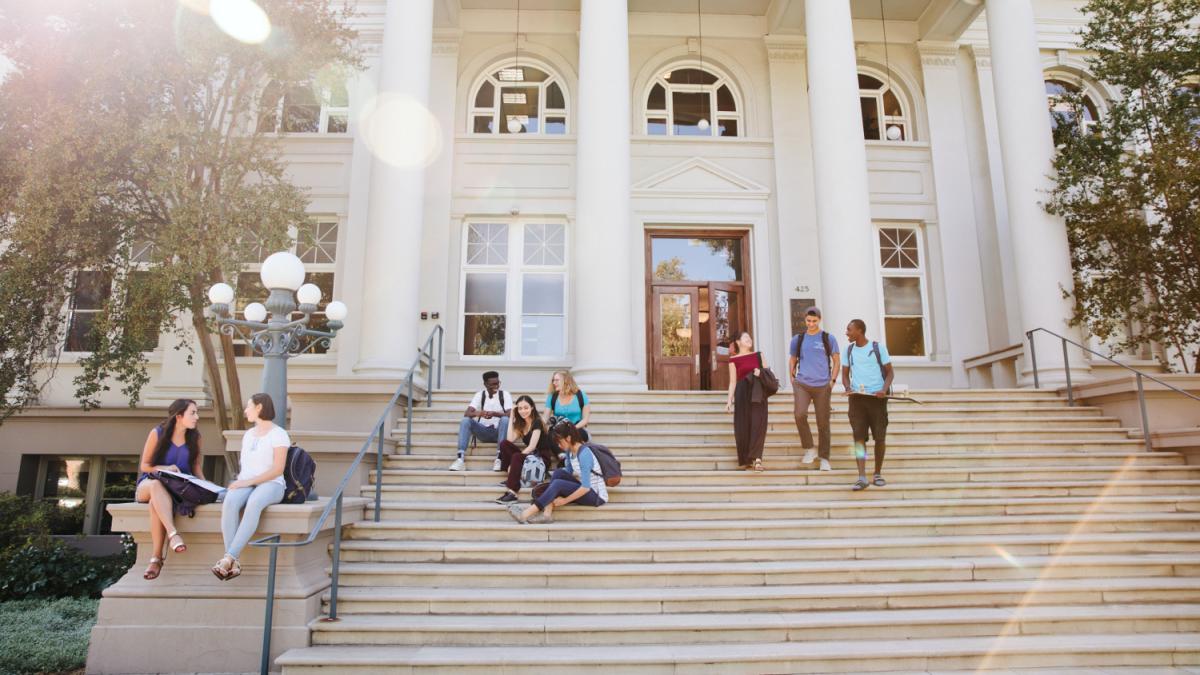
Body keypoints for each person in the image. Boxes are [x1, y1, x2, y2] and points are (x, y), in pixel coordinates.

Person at [213, 393, 289, 581]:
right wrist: (243, 483)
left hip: (272, 484)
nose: (245, 410)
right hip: (247, 482)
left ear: (259, 407)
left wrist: (248, 482)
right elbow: (246, 469)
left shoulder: (279, 434)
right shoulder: (248, 435)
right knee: (230, 501)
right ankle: (232, 561)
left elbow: (278, 469)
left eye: (249, 406)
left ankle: (228, 558)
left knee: (254, 503)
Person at [135, 399, 203, 580]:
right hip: (149, 483)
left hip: (176, 489)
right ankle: (173, 534)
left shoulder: (195, 438)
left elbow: (196, 468)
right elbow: (145, 466)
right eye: (193, 413)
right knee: (156, 487)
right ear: (179, 416)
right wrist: (165, 468)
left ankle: (156, 559)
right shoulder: (157, 433)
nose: (197, 417)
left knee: (155, 505)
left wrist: (207, 487)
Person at [508, 421, 606, 524]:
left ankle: (524, 514)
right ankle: (547, 513)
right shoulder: (570, 451)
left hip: (596, 496)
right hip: (585, 489)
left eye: (559, 442)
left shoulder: (584, 454)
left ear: (568, 438)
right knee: (559, 473)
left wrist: (564, 500)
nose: (558, 446)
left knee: (558, 484)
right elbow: (568, 472)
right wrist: (550, 486)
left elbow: (585, 488)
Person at [841, 319, 895, 491]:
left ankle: (877, 473)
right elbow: (845, 375)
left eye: (849, 330)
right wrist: (848, 388)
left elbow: (890, 373)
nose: (847, 333)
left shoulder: (878, 348)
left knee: (880, 438)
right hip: (857, 399)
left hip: (877, 399)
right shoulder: (848, 350)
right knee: (858, 439)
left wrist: (883, 390)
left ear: (859, 330)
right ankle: (862, 477)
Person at [788, 307, 840, 472]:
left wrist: (832, 381)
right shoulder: (798, 339)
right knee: (799, 414)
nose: (811, 324)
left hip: (823, 385)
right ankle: (810, 448)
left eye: (814, 321)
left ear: (819, 320)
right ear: (805, 320)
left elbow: (837, 360)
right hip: (802, 384)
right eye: (808, 321)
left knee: (823, 423)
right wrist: (792, 378)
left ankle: (824, 458)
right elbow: (793, 359)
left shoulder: (828, 338)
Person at [494, 395, 556, 505]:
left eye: (526, 408)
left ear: (532, 407)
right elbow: (510, 439)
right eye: (520, 408)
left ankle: (512, 492)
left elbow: (532, 446)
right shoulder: (521, 424)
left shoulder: (537, 422)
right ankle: (513, 476)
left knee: (517, 456)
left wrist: (512, 464)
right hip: (530, 457)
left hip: (541, 458)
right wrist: (512, 416)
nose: (523, 411)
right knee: (504, 444)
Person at [725, 331, 769, 472]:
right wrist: (729, 400)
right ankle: (746, 459)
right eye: (745, 338)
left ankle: (758, 459)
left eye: (750, 337)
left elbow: (768, 373)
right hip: (742, 393)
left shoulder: (759, 355)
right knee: (743, 425)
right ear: (738, 342)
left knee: (758, 423)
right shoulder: (733, 360)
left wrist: (760, 373)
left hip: (758, 392)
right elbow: (733, 382)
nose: (749, 339)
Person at [450, 371, 512, 472]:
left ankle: (499, 458)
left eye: (498, 383)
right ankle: (460, 459)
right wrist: (479, 413)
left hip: (499, 432)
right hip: (483, 432)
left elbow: (510, 414)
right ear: (485, 384)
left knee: (505, 419)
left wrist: (494, 414)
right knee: (466, 421)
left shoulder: (505, 394)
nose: (496, 386)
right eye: (493, 384)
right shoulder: (480, 395)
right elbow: (467, 413)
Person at [542, 370, 591, 442]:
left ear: (566, 381)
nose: (554, 383)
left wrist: (572, 429)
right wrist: (538, 427)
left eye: (557, 380)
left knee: (578, 435)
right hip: (559, 429)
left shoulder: (581, 395)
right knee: (551, 436)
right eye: (553, 380)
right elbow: (545, 417)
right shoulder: (552, 396)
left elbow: (585, 420)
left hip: (577, 428)